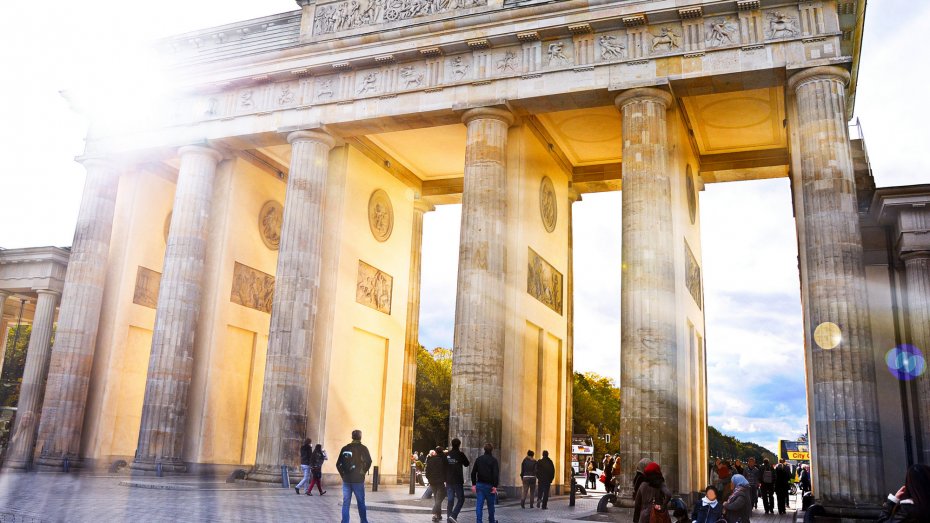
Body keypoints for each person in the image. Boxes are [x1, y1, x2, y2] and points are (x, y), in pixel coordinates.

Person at [336, 429, 372, 523]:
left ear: (352, 437)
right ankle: (363, 521)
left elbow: (338, 464)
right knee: (361, 503)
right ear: (360, 437)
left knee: (346, 503)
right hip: (358, 480)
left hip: (347, 480)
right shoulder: (363, 448)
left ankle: (345, 521)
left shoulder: (345, 448)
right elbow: (369, 461)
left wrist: (343, 475)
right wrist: (363, 471)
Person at [471, 443, 500, 523]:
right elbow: (495, 474)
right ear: (492, 450)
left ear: (484, 449)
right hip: (490, 486)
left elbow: (473, 473)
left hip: (480, 485)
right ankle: (491, 521)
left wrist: (474, 485)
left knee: (479, 506)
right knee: (491, 506)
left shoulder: (479, 459)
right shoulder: (494, 460)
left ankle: (479, 521)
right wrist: (495, 486)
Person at [445, 437, 470, 523]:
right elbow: (467, 464)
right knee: (461, 499)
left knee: (450, 500)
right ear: (459, 445)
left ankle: (449, 518)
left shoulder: (447, 454)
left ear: (452, 444)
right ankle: (453, 515)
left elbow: (443, 467)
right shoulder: (461, 454)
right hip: (458, 480)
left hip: (449, 480)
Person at [424, 446, 447, 522]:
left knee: (437, 498)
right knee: (440, 497)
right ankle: (435, 514)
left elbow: (427, 472)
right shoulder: (443, 460)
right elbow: (445, 471)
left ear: (436, 452)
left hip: (432, 482)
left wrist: (429, 479)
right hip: (440, 482)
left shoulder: (430, 460)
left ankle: (438, 515)